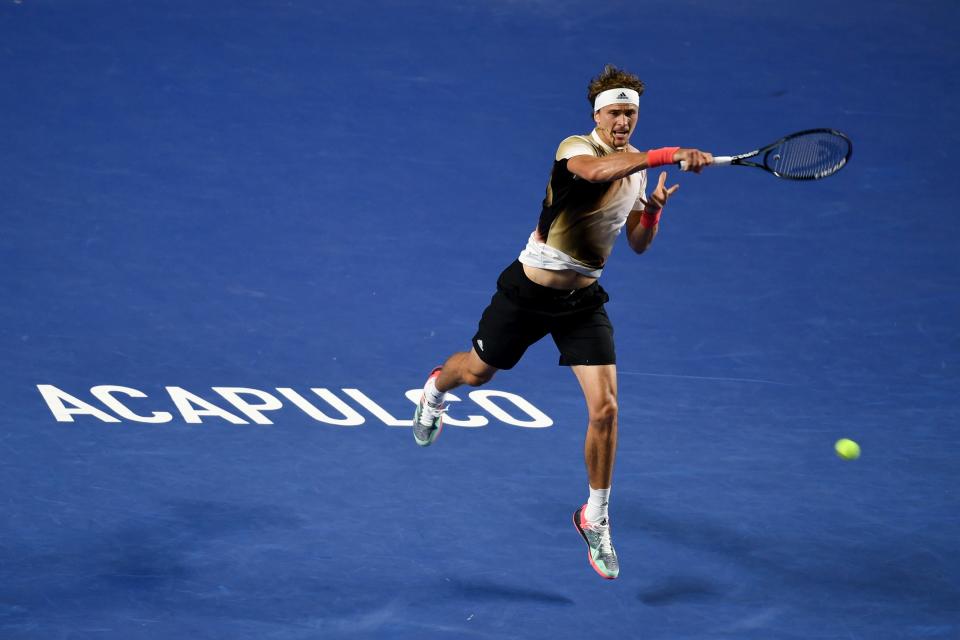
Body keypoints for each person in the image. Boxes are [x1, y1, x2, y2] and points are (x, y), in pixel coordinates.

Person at [412, 64, 713, 580]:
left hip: (583, 302)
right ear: (597, 115)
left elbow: (637, 245)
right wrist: (669, 153)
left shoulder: (636, 169)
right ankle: (436, 388)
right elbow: (597, 173)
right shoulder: (576, 148)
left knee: (607, 410)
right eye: (616, 112)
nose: (624, 121)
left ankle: (594, 516)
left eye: (631, 114)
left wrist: (653, 213)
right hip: (529, 293)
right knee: (478, 374)